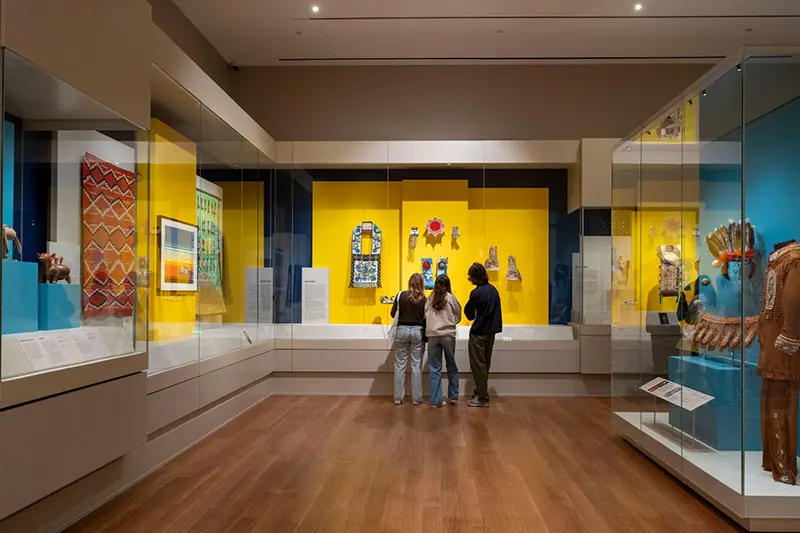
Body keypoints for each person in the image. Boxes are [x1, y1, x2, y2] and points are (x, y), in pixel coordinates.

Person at [464, 262, 502, 407]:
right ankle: (480, 391)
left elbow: (469, 314)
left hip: (478, 333)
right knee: (485, 364)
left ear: (474, 277)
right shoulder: (494, 290)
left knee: (478, 365)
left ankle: (482, 397)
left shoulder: (476, 293)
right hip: (491, 333)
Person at [425, 274, 462, 407]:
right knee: (451, 365)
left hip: (433, 335)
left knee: (434, 368)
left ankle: (435, 401)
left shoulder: (430, 298)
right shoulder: (451, 298)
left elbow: (425, 314)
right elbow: (458, 315)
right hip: (448, 335)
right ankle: (453, 395)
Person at [391, 273, 427, 405]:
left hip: (401, 331)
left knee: (400, 365)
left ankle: (398, 397)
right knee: (416, 365)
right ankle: (416, 398)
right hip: (418, 331)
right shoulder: (424, 299)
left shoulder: (401, 295)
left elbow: (393, 313)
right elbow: (425, 317)